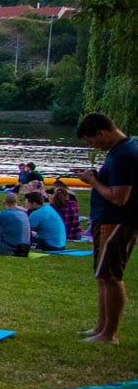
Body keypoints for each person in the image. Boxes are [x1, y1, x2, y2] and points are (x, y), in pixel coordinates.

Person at [76, 112, 138, 344]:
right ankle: (100, 327)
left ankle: (109, 333)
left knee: (111, 275)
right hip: (106, 220)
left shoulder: (124, 154)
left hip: (118, 221)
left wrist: (92, 181)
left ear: (102, 133)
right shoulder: (120, 150)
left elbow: (119, 197)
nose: (93, 147)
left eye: (92, 142)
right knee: (103, 274)